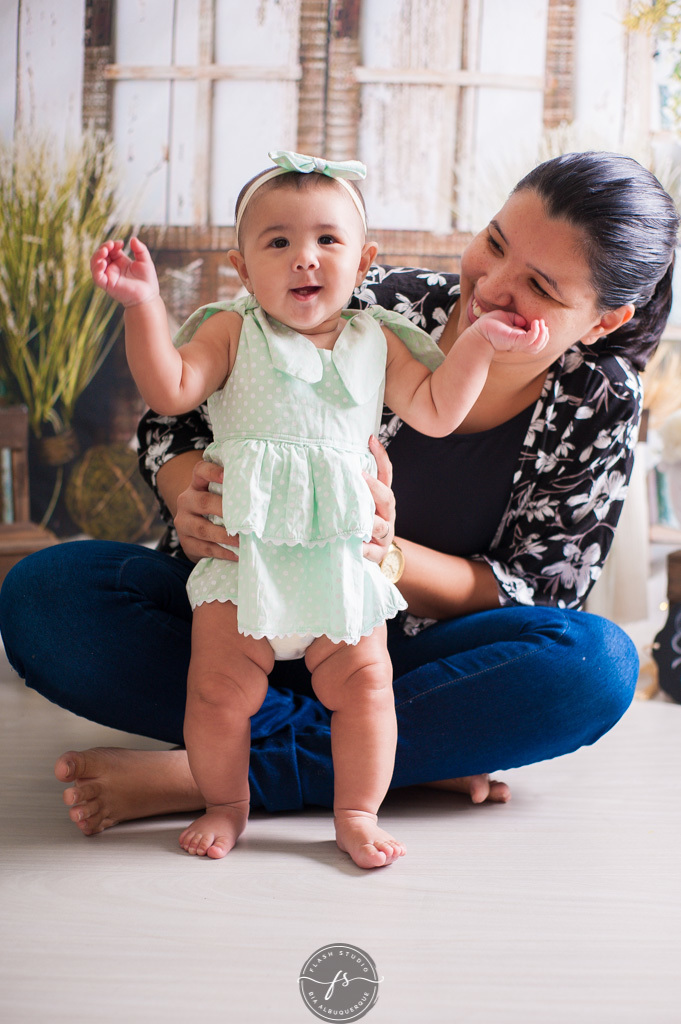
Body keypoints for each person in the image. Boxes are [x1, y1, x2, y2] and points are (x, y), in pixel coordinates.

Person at [1, 151, 677, 858]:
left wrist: (384, 555)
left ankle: (218, 773)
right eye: (495, 242)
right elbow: (175, 413)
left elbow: (536, 593)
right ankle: (397, 763)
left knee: (593, 665)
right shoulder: (357, 289)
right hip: (235, 603)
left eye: (537, 284)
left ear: (603, 321)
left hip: (383, 652)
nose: (490, 288)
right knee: (45, 596)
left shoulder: (597, 401)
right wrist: (190, 499)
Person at [89, 150, 547, 867]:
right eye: (277, 243)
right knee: (215, 692)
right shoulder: (231, 330)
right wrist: (143, 304)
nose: (304, 258)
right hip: (244, 559)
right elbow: (171, 390)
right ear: (241, 268)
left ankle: (356, 811)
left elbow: (434, 410)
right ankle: (226, 803)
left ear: (363, 260)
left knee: (368, 688)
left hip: (340, 560)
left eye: (326, 241)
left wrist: (481, 344)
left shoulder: (380, 338)